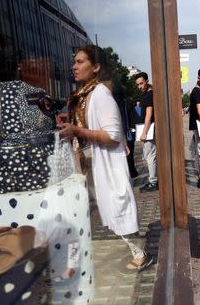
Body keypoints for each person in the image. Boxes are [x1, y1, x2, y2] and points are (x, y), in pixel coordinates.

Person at [58, 45, 153, 271]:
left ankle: (140, 253)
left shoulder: (100, 95)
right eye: (75, 61)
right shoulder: (85, 94)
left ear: (96, 67)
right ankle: (73, 259)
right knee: (77, 212)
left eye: (80, 61)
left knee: (115, 206)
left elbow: (111, 135)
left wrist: (78, 131)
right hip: (87, 162)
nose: (74, 66)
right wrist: (72, 121)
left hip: (102, 163)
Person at [135, 72, 159, 192]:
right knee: (151, 155)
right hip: (151, 129)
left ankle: (153, 182)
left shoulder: (149, 94)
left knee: (150, 155)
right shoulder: (148, 93)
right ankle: (154, 180)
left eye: (141, 83)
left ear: (147, 81)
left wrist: (144, 132)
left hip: (150, 129)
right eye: (138, 84)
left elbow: (149, 115)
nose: (140, 86)